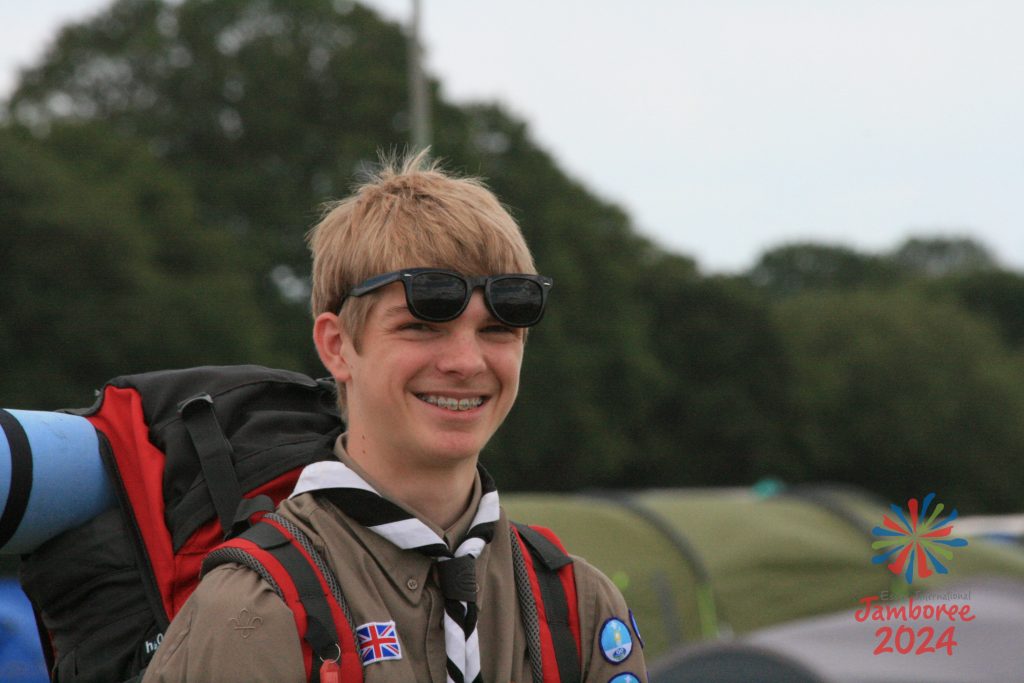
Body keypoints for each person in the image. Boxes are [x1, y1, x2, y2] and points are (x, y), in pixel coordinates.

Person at [143, 151, 647, 682]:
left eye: (497, 329)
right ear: (337, 346)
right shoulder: (258, 610)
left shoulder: (574, 607)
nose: (465, 362)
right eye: (421, 327)